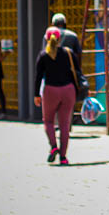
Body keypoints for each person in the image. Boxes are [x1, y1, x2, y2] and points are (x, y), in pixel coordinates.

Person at [34, 26, 80, 165]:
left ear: (47, 39)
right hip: (68, 91)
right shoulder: (69, 53)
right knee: (65, 125)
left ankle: (54, 147)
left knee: (48, 121)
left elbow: (38, 77)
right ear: (60, 39)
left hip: (50, 91)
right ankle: (63, 157)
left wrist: (37, 94)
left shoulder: (43, 55)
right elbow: (77, 72)